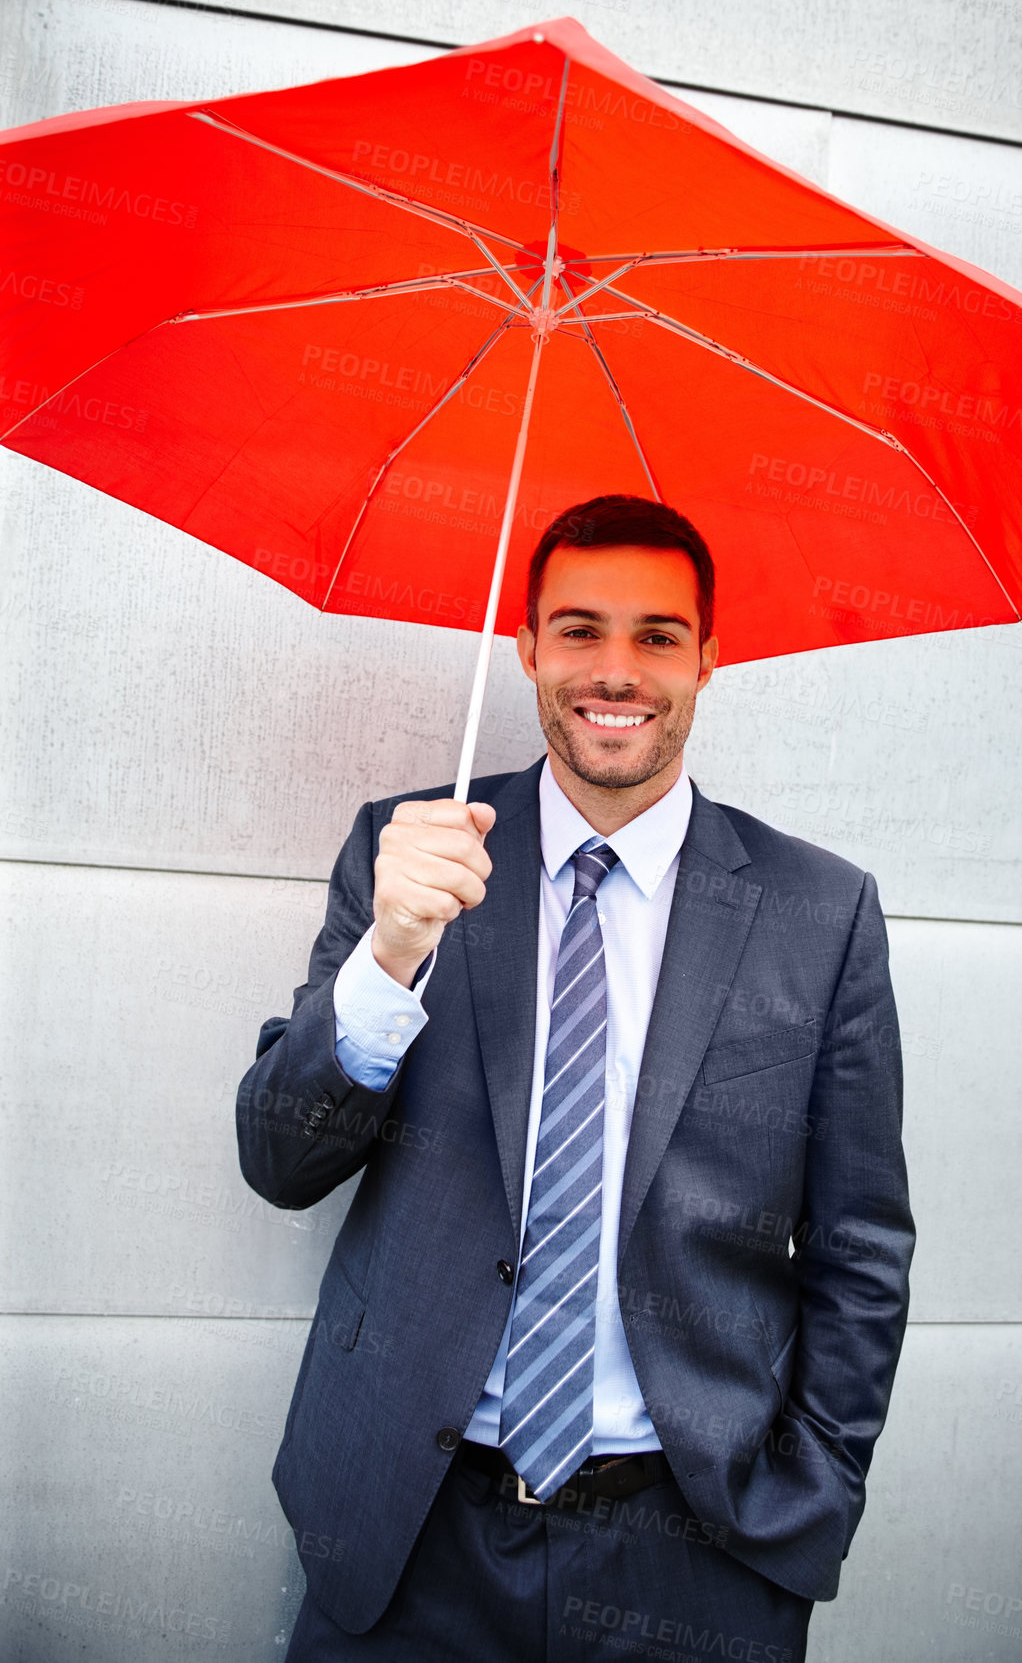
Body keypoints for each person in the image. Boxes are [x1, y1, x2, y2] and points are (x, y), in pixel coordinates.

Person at [236, 494, 916, 1662]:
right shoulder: (405, 851)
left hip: (695, 1546)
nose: (615, 669)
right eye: (578, 628)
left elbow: (860, 1248)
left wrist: (810, 1498)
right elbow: (281, 1160)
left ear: (710, 655)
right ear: (526, 646)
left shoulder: (819, 911)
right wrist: (389, 952)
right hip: (407, 1528)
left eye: (656, 635)